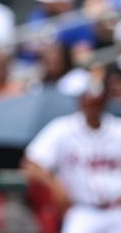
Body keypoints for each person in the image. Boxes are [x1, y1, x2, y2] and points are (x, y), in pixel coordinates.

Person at [22, 64, 121, 233]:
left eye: (96, 100)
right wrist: (56, 187)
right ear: (80, 101)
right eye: (87, 99)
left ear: (104, 101)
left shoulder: (117, 129)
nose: (91, 104)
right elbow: (30, 164)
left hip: (116, 211)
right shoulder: (62, 129)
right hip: (83, 211)